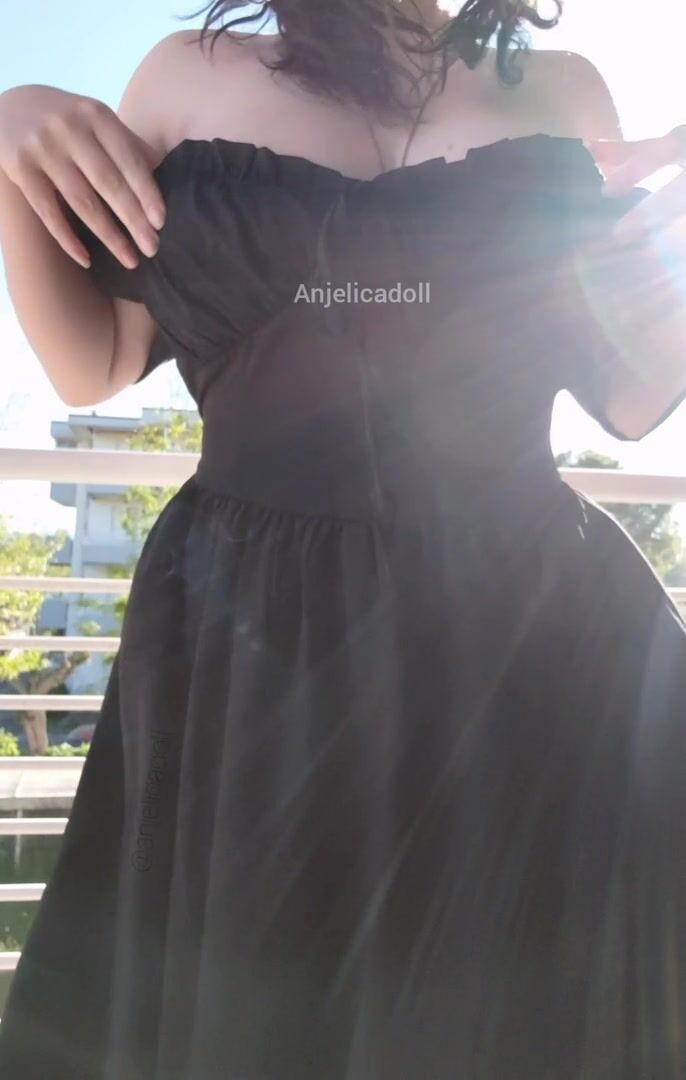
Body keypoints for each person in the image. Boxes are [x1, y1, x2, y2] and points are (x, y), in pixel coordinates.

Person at [0, 0, 685, 1075]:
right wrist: (9, 140)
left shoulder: (564, 89)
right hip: (252, 646)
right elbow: (98, 361)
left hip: (525, 639)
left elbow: (633, 393)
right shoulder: (185, 75)